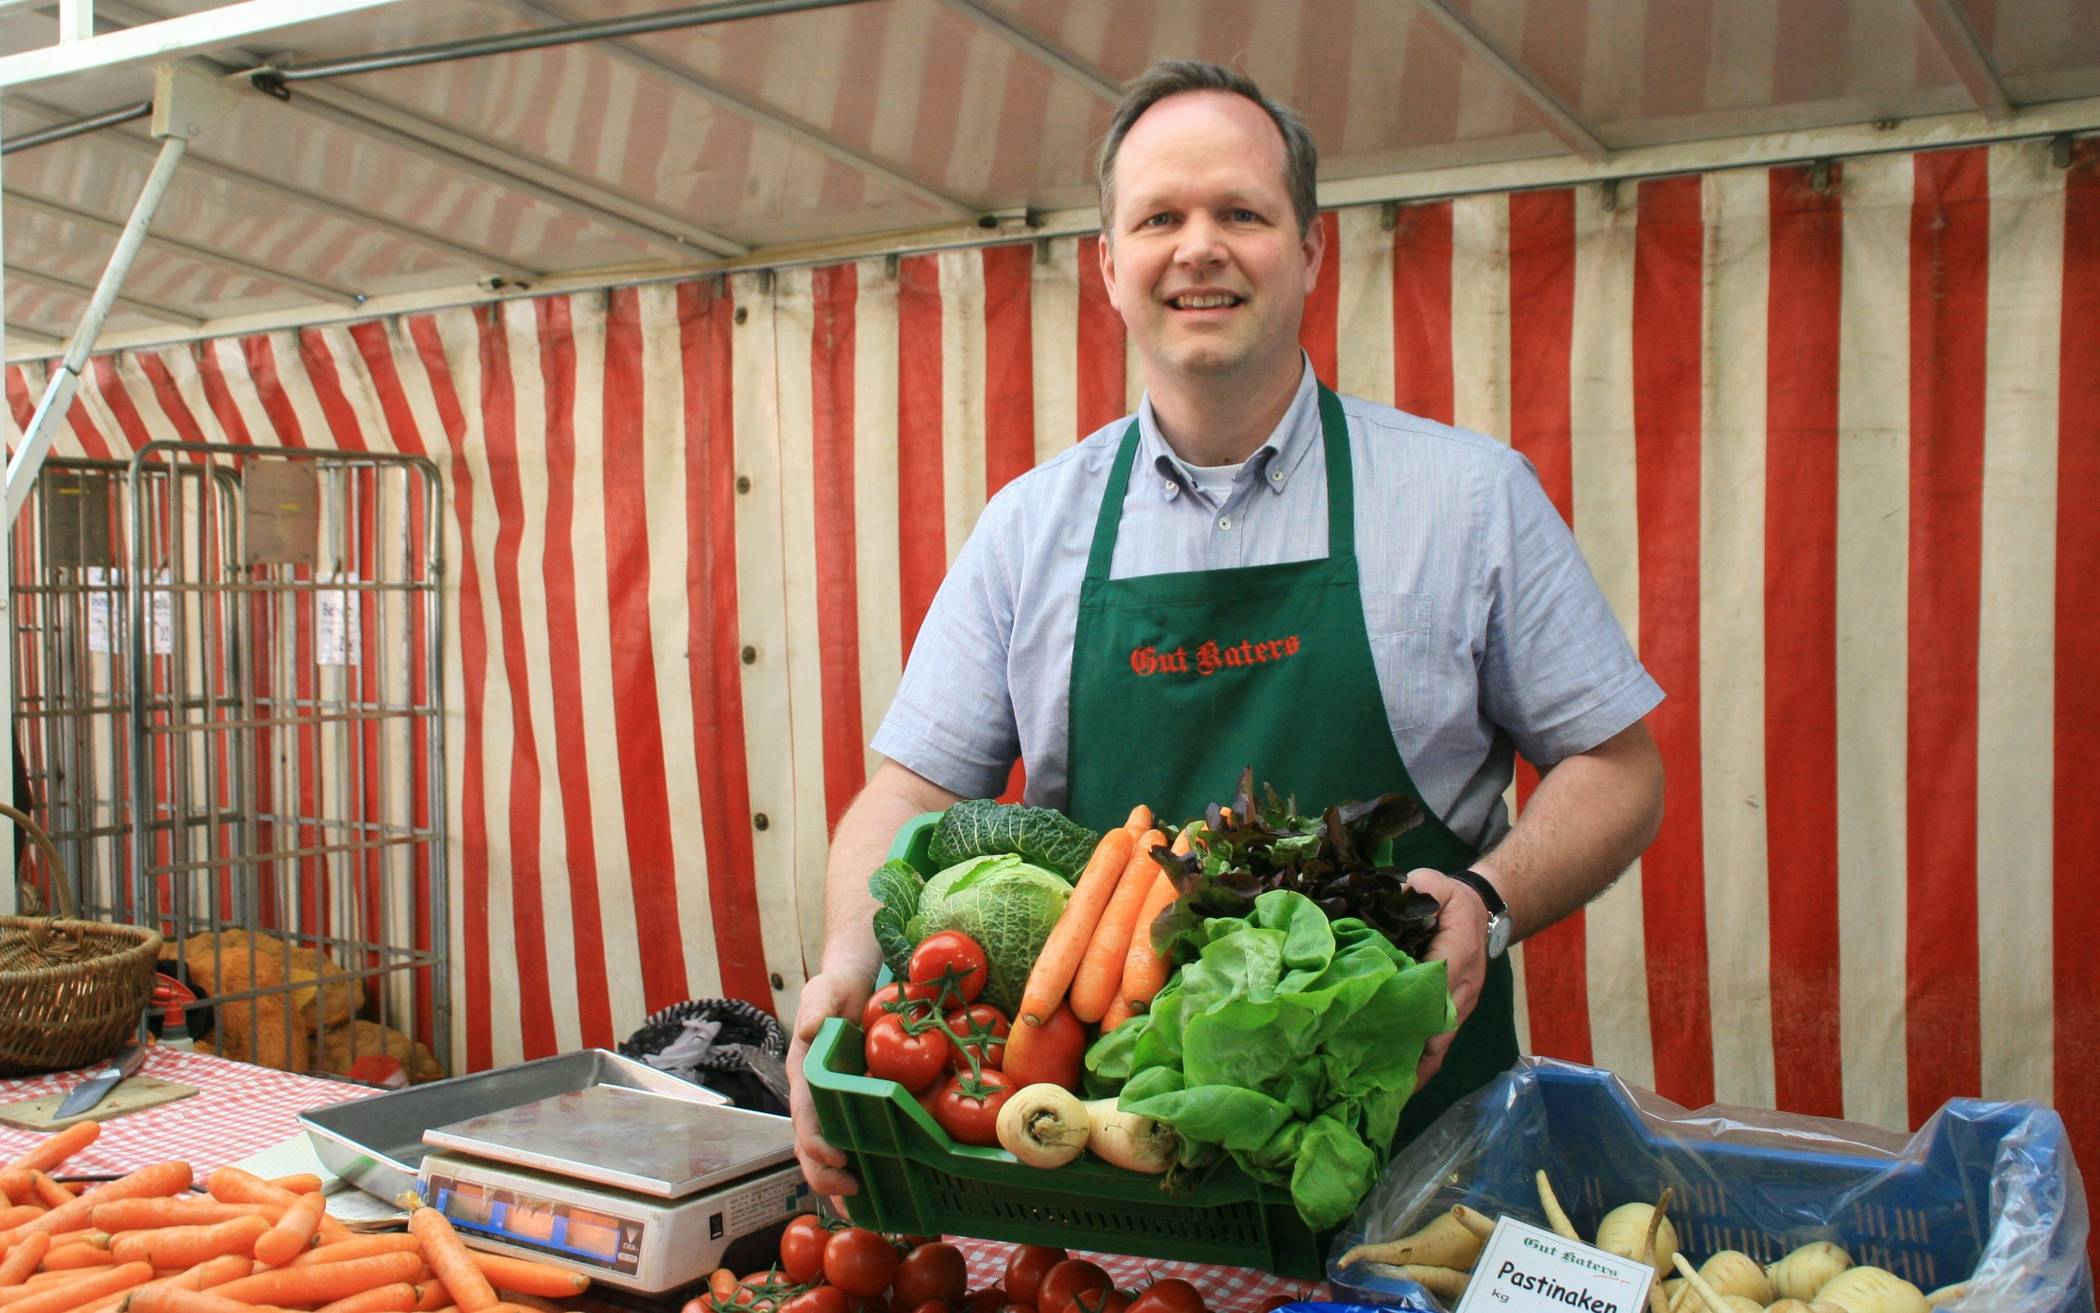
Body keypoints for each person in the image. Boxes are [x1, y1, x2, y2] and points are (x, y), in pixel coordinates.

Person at [786, 59, 1666, 1199]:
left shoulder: (1467, 498)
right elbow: (907, 795)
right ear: (1109, 265)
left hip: (1412, 1147)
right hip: (1114, 1161)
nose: (1198, 246)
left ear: (1308, 250)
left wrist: (1489, 904)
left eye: (1240, 212)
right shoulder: (1030, 527)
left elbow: (1620, 765)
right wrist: (849, 962)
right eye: (1160, 217)